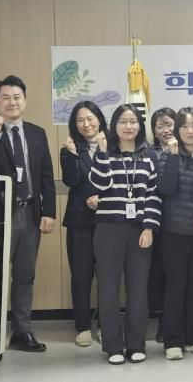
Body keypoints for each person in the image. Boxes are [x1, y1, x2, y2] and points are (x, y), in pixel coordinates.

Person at [0, 75, 56, 353]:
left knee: (25, 275)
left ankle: (22, 332)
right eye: (6, 97)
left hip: (30, 212)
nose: (12, 102)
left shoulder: (37, 133)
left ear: (25, 100)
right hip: (0, 215)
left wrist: (49, 211)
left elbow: (46, 175)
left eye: (16, 97)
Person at [89, 104, 162, 365]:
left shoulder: (149, 156)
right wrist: (101, 152)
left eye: (133, 121)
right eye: (123, 121)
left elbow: (153, 195)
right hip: (108, 228)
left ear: (140, 126)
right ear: (114, 126)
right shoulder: (105, 153)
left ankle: (135, 344)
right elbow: (99, 183)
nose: (128, 126)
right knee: (108, 289)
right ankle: (113, 346)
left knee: (138, 289)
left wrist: (149, 227)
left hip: (139, 230)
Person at [156, 107, 193, 360]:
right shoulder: (168, 156)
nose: (190, 131)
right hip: (174, 231)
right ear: (177, 130)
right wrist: (171, 156)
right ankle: (173, 341)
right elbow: (165, 189)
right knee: (175, 286)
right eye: (185, 126)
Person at [60, 101, 108, 347]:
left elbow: (120, 179)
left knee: (108, 276)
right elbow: (71, 181)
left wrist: (103, 199)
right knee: (81, 275)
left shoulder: (113, 145)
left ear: (99, 119)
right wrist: (71, 155)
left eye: (90, 118)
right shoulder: (69, 148)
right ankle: (83, 327)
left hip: (109, 220)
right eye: (80, 120)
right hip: (79, 221)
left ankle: (106, 325)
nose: (86, 124)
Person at [148, 107, 178, 343]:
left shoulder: (187, 150)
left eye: (169, 124)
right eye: (160, 126)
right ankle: (162, 322)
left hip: (180, 222)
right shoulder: (149, 153)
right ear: (154, 131)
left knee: (176, 276)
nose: (166, 130)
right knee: (158, 275)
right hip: (156, 222)